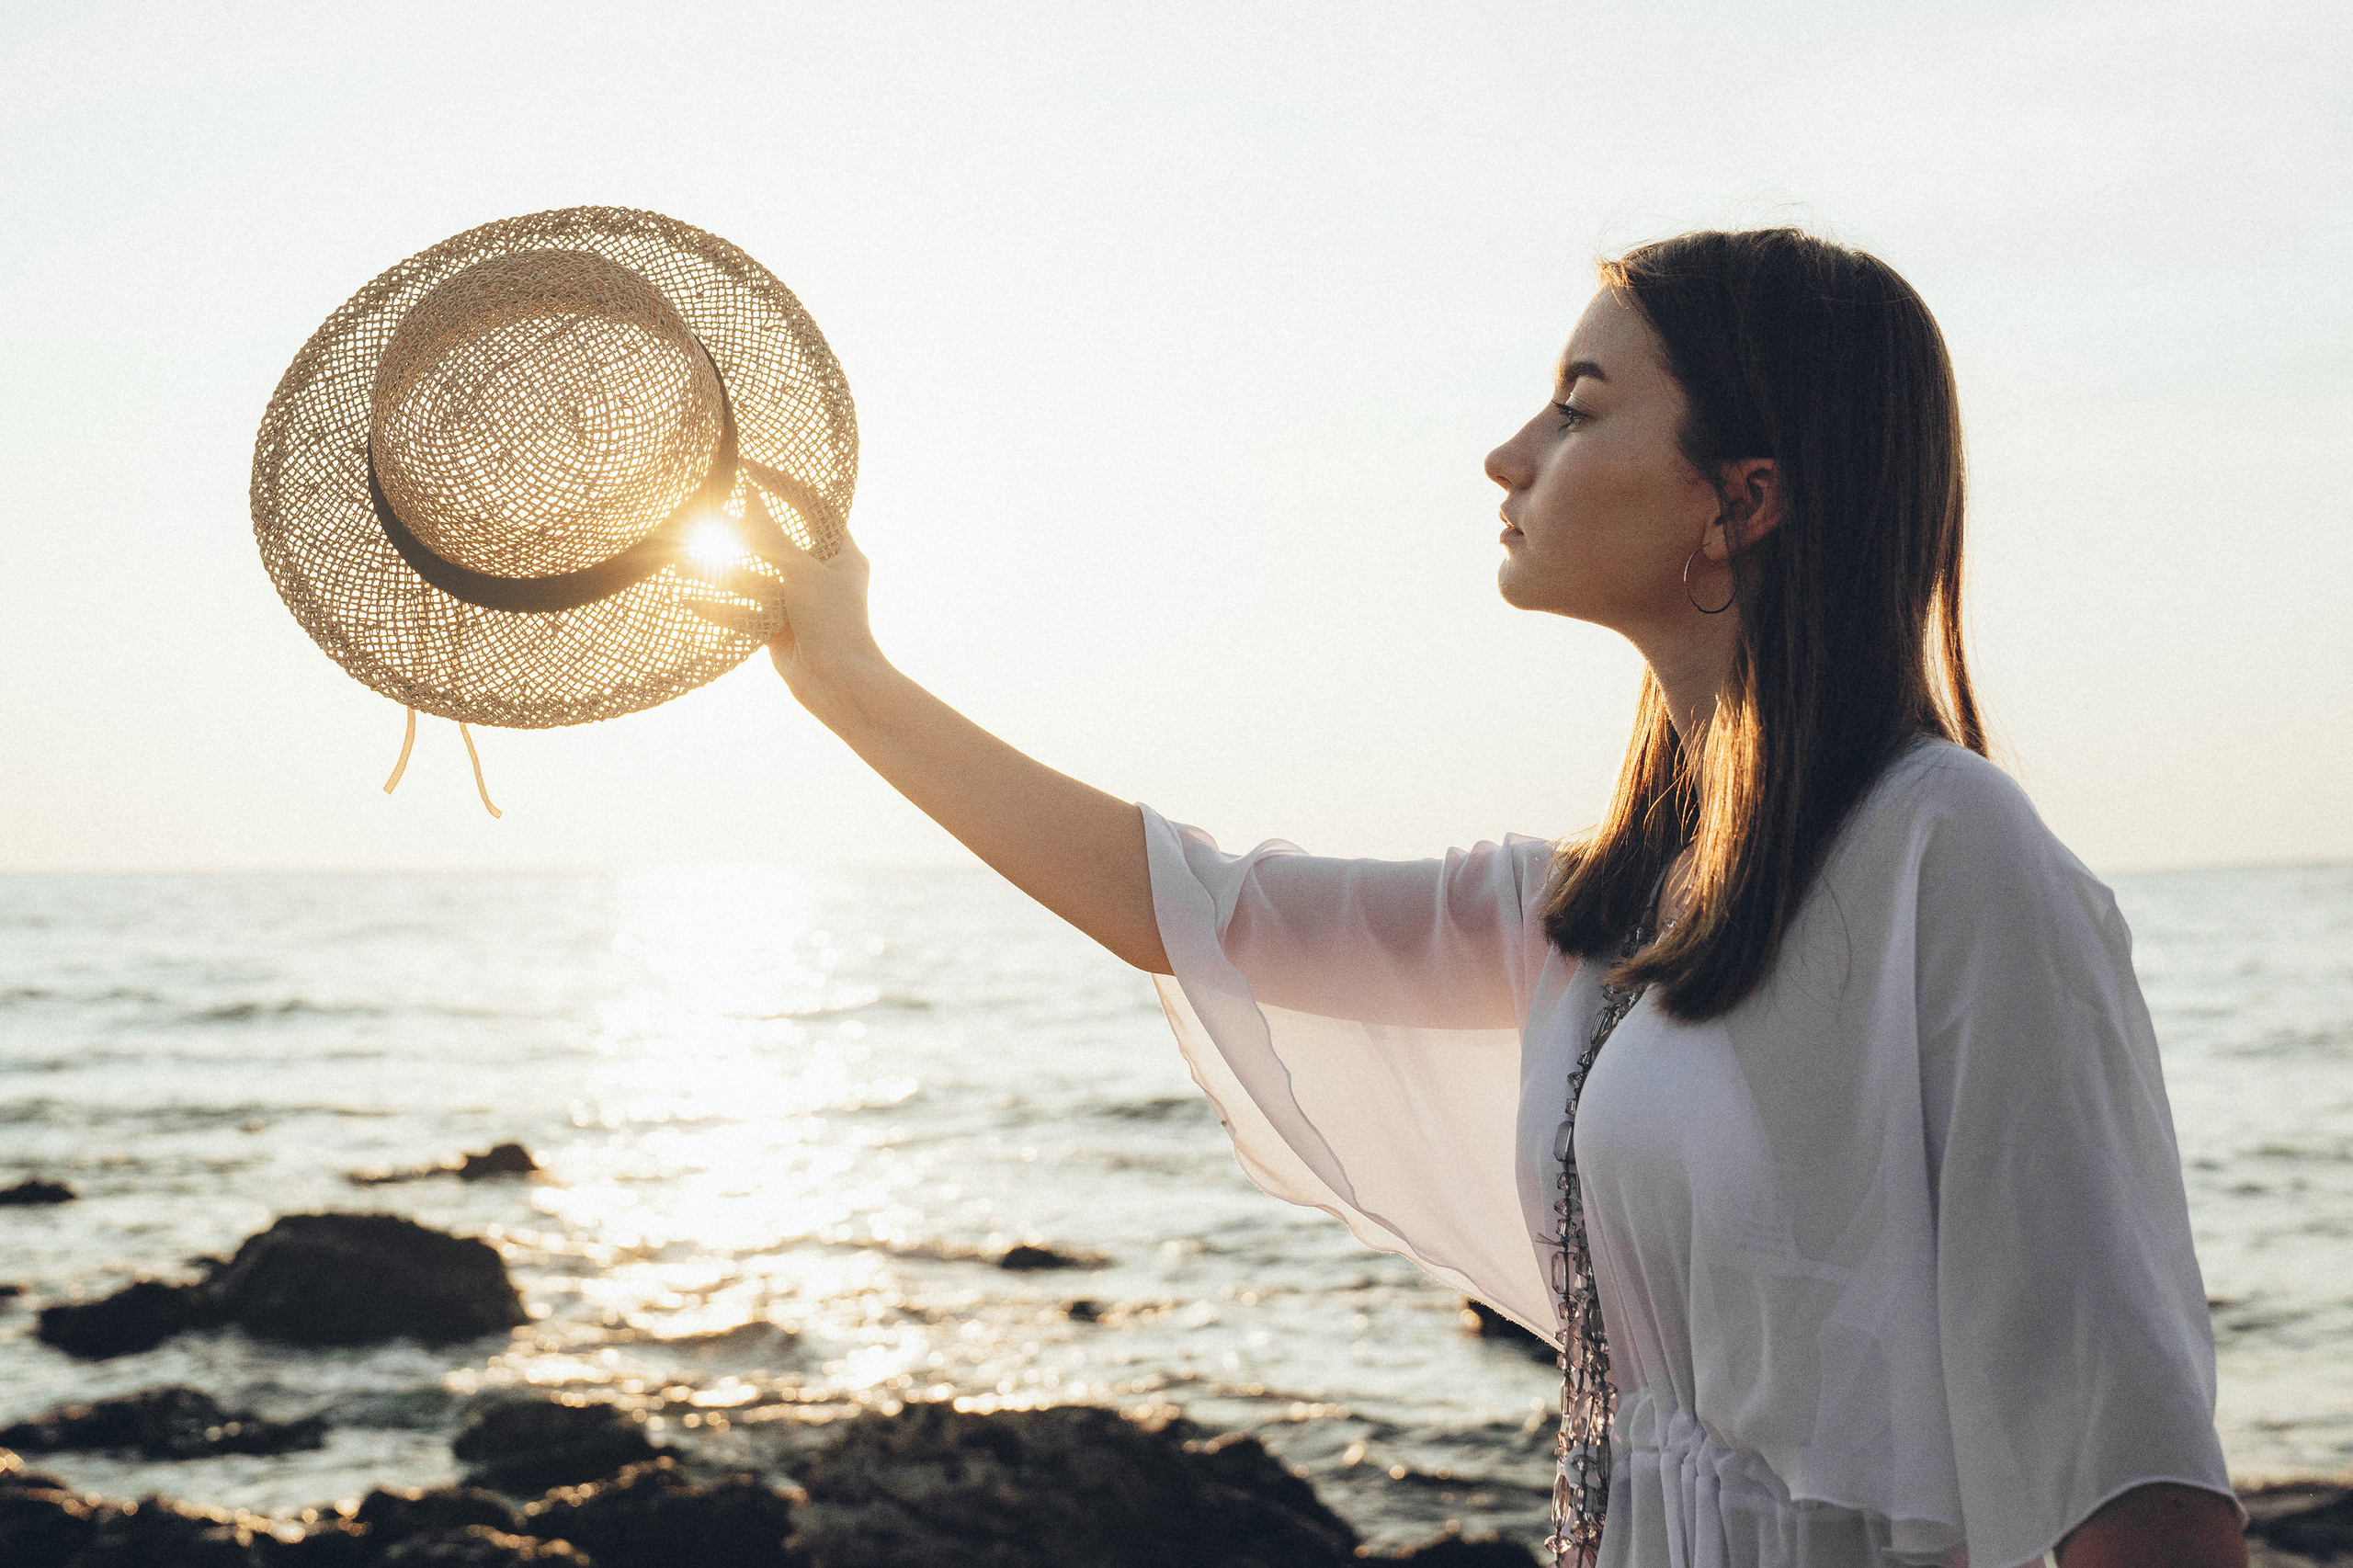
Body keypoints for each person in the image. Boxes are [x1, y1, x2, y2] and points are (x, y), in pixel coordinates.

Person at [688, 228, 2245, 1568]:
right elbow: (1194, 907)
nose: (1510, 456)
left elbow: (2137, 1467)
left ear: (1745, 496)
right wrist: (849, 682)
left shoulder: (1949, 856)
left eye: (1578, 408)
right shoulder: (1601, 910)